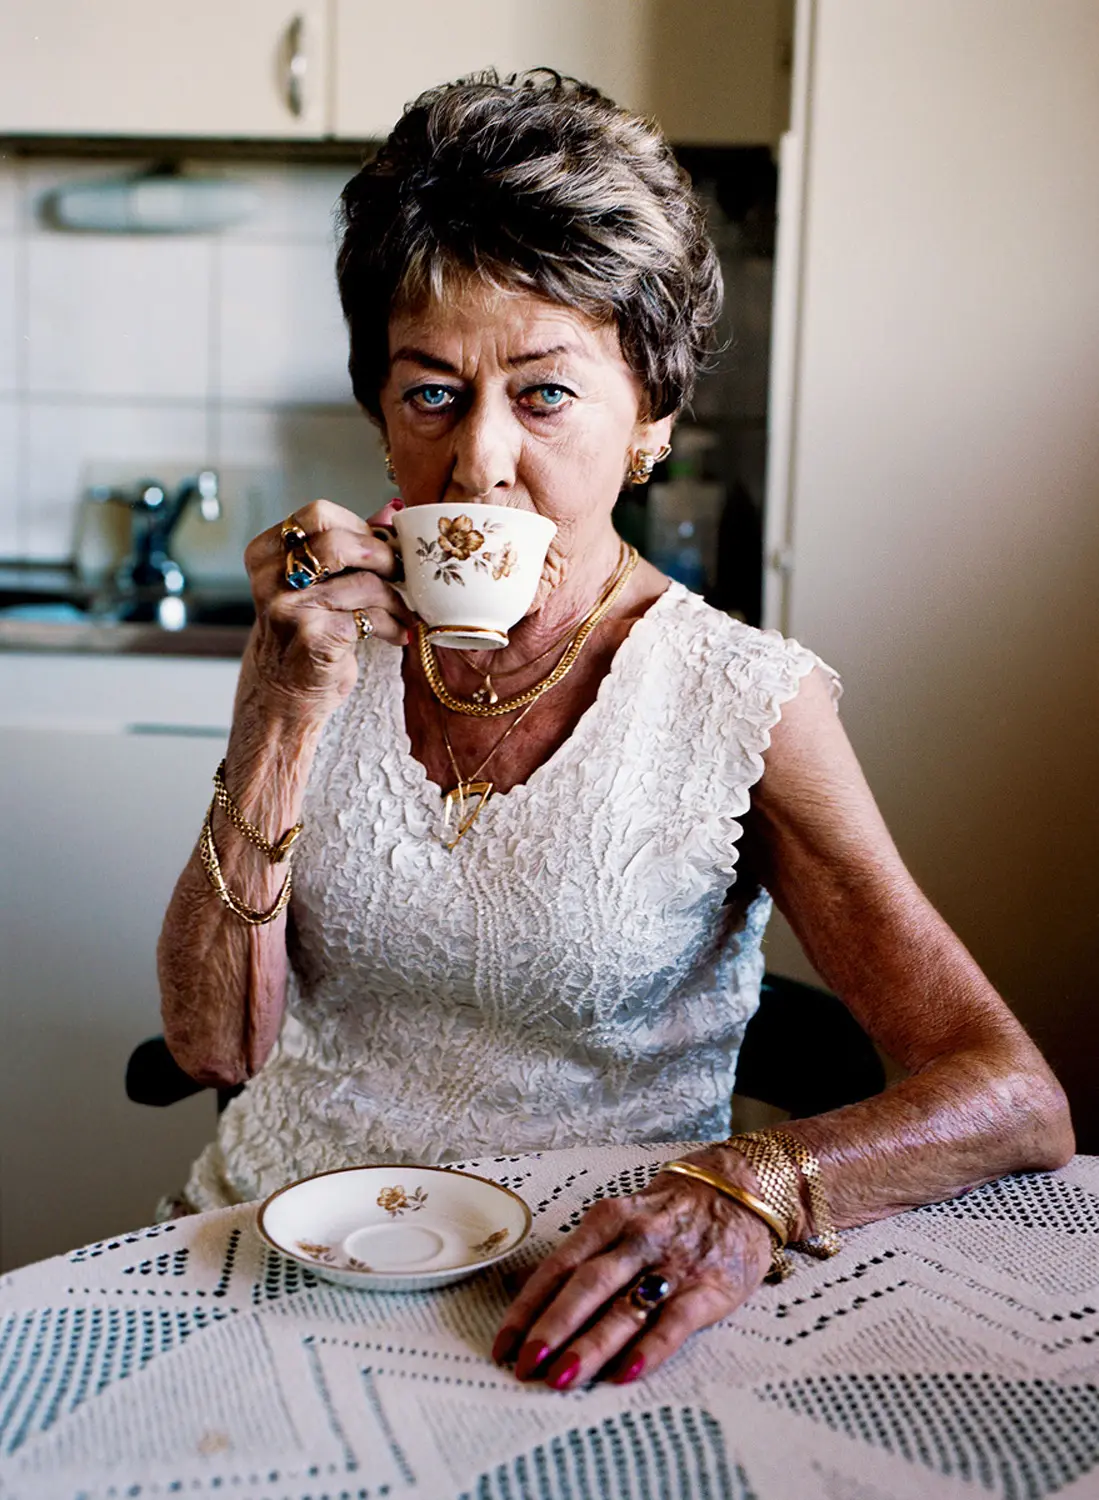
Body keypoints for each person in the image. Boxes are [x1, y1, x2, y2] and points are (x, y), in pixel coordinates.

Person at [158, 71, 1073, 1390]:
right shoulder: (319, 645)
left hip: (586, 1294)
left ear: (647, 418)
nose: (476, 462)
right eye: (430, 395)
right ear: (377, 412)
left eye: (541, 396)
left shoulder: (740, 699)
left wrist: (747, 1189)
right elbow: (213, 1048)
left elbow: (1011, 1093)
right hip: (282, 1254)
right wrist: (277, 712)